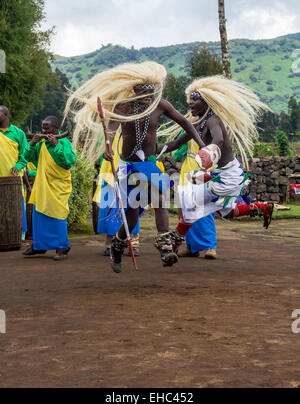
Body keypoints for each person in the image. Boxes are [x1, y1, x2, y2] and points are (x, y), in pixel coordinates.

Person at [64, 61, 205, 273]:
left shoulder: (161, 105)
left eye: (151, 94)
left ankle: (165, 247)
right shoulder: (123, 107)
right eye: (144, 94)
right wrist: (108, 146)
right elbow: (111, 128)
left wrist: (202, 145)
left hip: (149, 163)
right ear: (135, 90)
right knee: (132, 213)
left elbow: (185, 123)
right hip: (128, 165)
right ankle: (118, 246)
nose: (148, 98)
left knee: (159, 197)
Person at [156, 75, 274, 249]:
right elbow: (175, 144)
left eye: (195, 99)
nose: (190, 103)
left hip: (229, 176)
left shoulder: (213, 119)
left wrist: (210, 150)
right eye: (190, 99)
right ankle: (262, 207)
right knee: (225, 211)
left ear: (207, 102)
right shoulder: (198, 124)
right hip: (222, 174)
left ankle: (175, 241)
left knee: (191, 199)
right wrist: (153, 149)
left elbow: (218, 138)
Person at [22, 116, 76, 261]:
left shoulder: (64, 142)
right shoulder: (41, 143)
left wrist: (56, 144)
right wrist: (31, 145)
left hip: (58, 186)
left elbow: (68, 162)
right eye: (43, 127)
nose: (43, 130)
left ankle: (62, 247)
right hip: (42, 185)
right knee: (39, 214)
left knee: (57, 214)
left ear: (56, 129)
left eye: (47, 128)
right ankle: (39, 246)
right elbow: (27, 158)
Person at [93, 130, 140, 256]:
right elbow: (100, 147)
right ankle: (109, 243)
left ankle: (134, 243)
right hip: (110, 171)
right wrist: (105, 151)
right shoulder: (107, 130)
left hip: (130, 171)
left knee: (131, 208)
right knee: (110, 208)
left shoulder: (136, 125)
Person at [0, 105, 28, 236]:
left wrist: (17, 166)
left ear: (5, 115)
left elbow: (25, 156)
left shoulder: (18, 133)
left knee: (16, 206)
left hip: (13, 178)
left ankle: (18, 235)